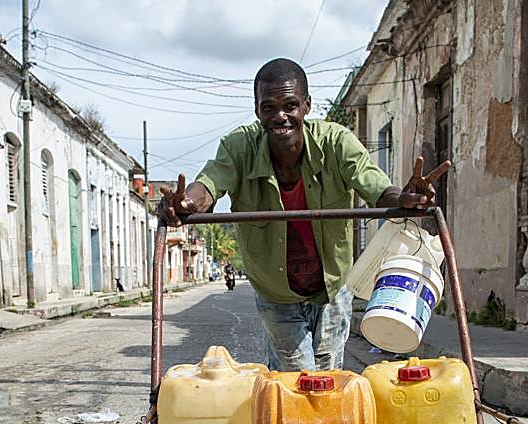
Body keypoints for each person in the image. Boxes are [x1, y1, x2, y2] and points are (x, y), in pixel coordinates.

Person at [157, 57, 436, 371]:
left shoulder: (336, 143)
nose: (280, 116)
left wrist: (405, 198)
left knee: (328, 377)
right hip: (276, 292)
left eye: (290, 105)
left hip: (332, 287)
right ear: (257, 110)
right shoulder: (239, 148)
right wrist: (187, 203)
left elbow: (377, 187)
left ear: (307, 105)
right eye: (269, 107)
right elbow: (209, 184)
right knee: (298, 375)